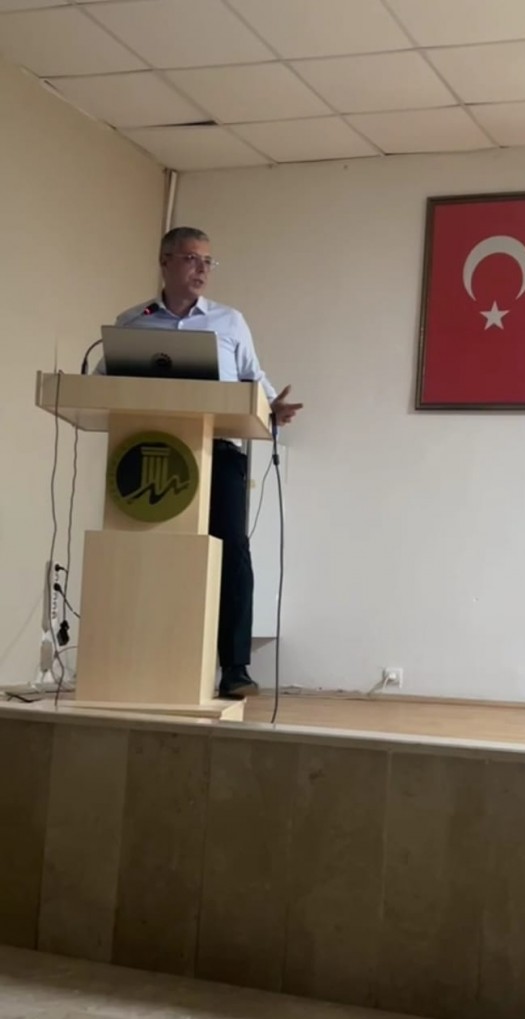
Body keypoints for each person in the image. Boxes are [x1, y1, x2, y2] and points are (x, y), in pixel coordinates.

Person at [113, 226, 300, 699]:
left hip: (216, 452)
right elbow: (106, 382)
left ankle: (234, 667)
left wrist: (273, 408)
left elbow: (254, 380)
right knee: (150, 555)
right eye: (192, 259)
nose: (202, 269)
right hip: (147, 453)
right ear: (165, 261)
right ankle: (140, 661)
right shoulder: (132, 322)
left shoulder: (229, 322)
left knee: (231, 553)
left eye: (208, 261)